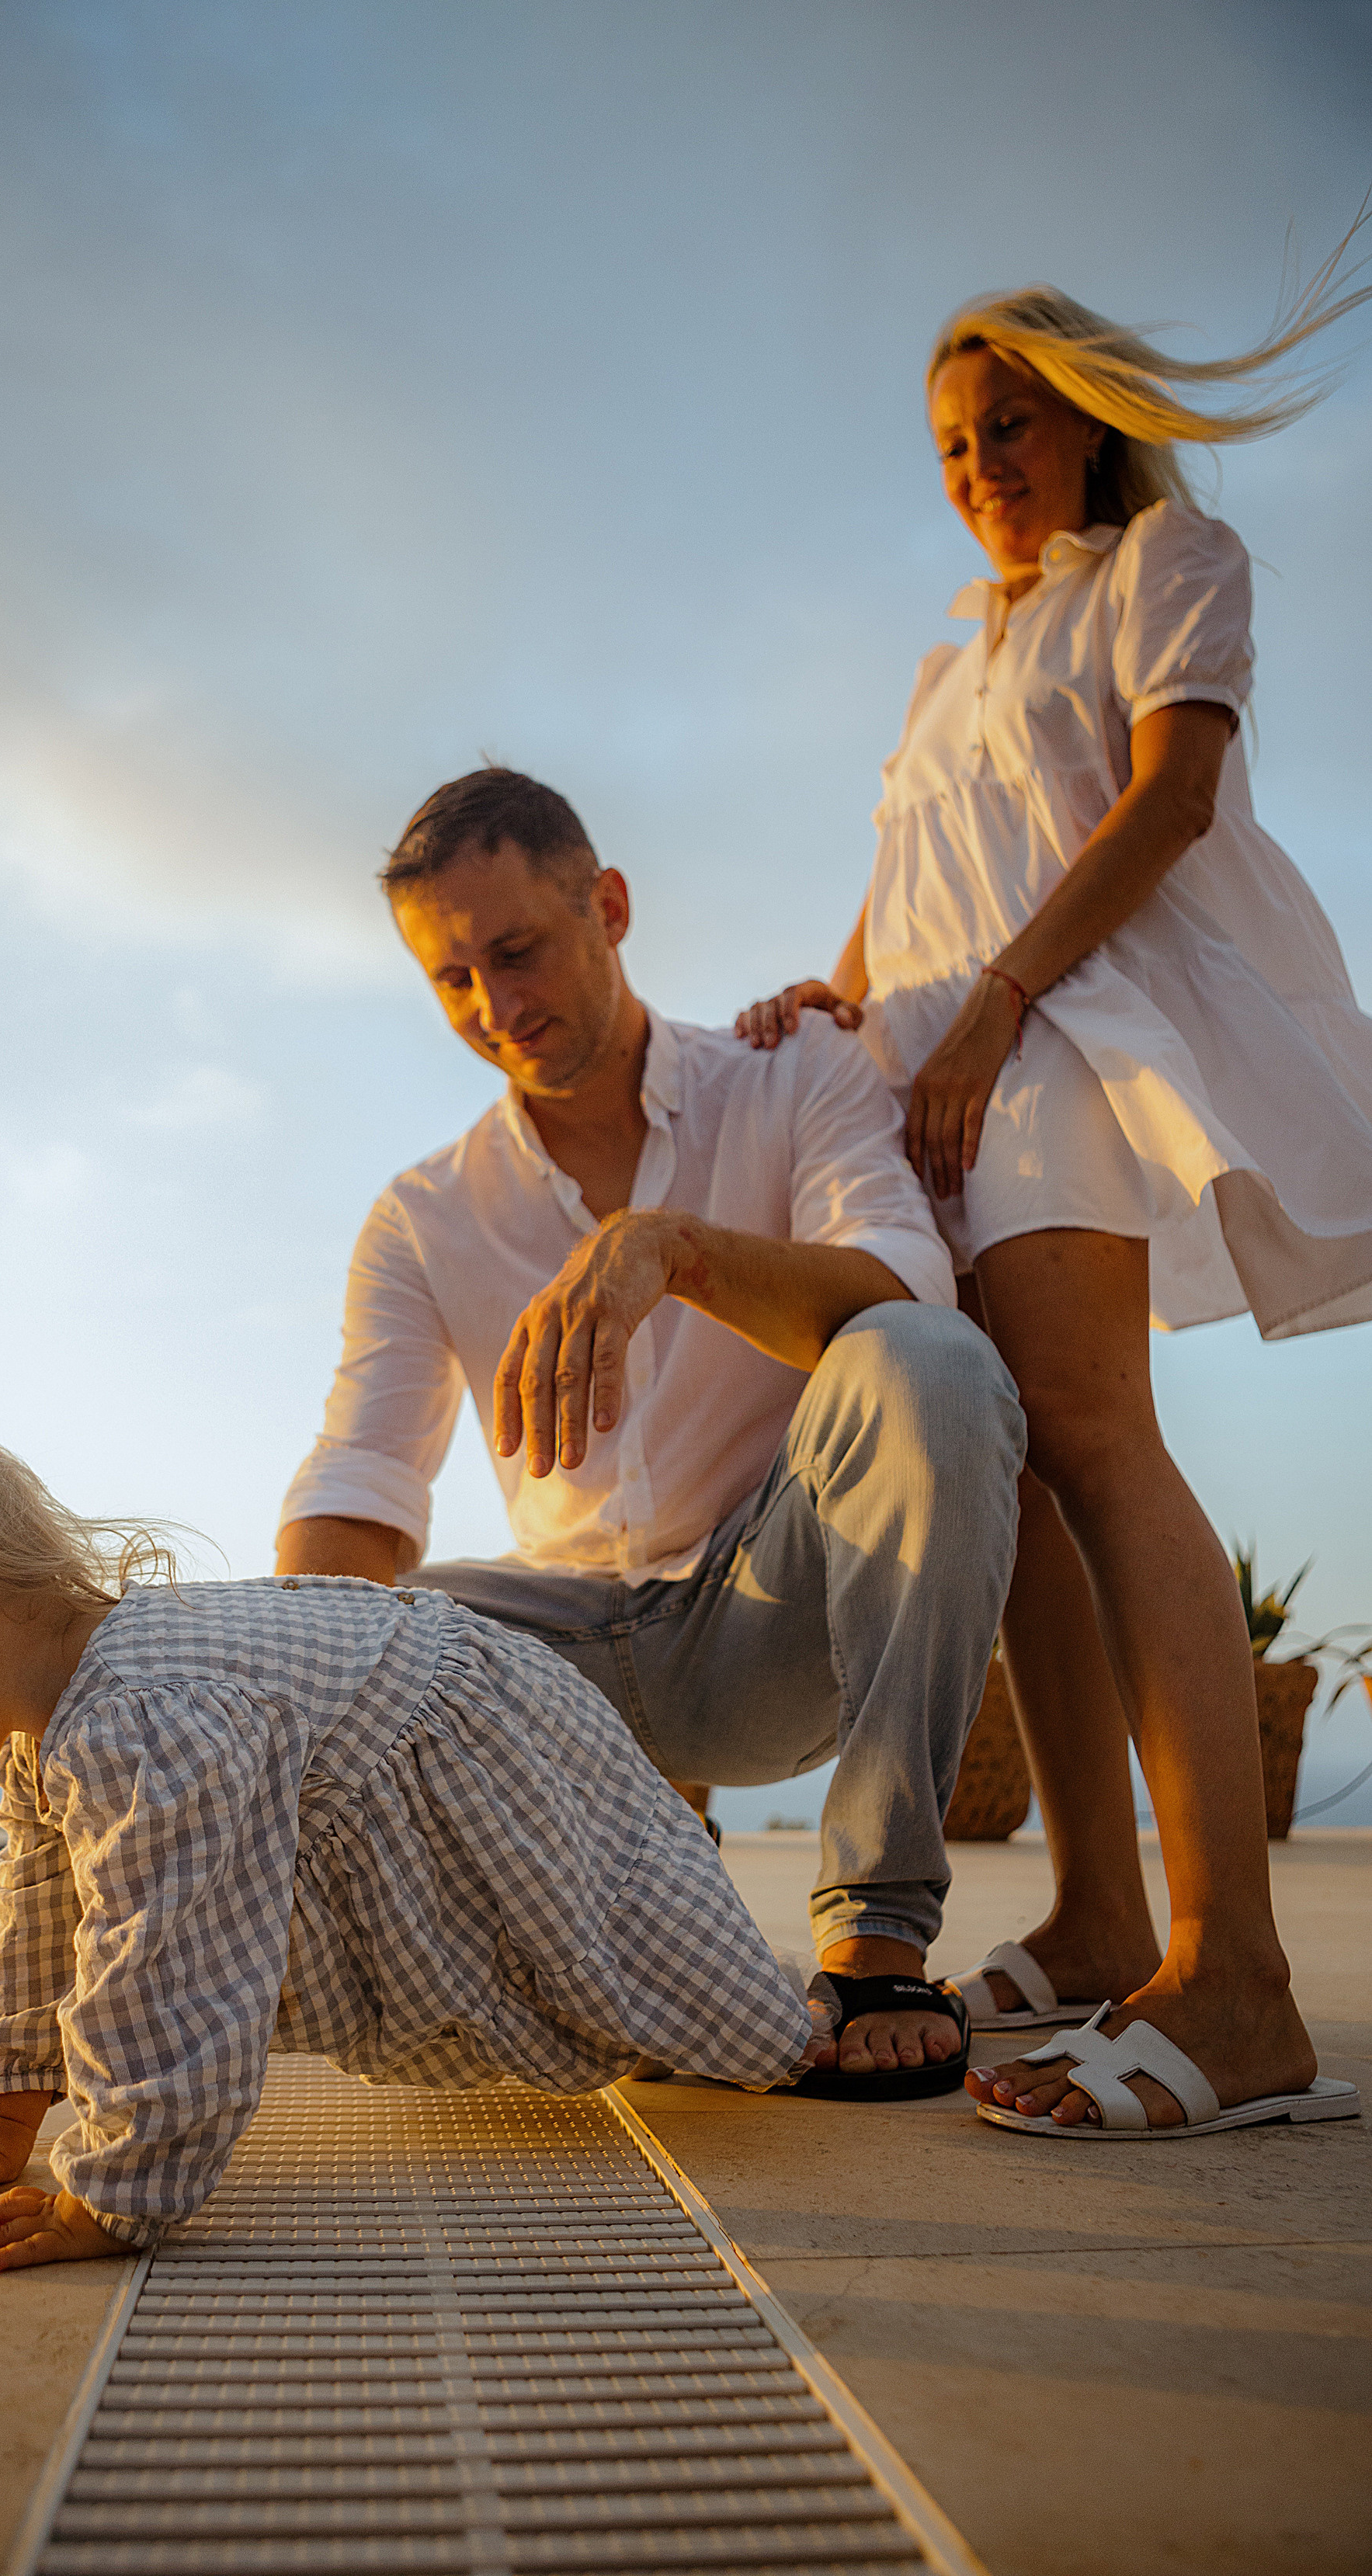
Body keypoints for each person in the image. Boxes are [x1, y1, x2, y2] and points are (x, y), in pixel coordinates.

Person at [738, 241, 1372, 2139]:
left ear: (1088, 420)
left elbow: (1165, 801)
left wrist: (996, 1006)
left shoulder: (1166, 564)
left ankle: (1236, 1985)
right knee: (1007, 1474)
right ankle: (1099, 1916)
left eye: (1006, 422)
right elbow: (909, 891)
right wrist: (831, 993)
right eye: (950, 444)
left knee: (1093, 1435)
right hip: (931, 1067)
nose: (978, 466)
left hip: (1049, 1041)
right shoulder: (947, 665)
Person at [278, 767, 1026, 2099]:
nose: (496, 1006)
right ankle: (609, 1933)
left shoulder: (794, 1073)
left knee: (933, 1357)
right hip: (560, 1674)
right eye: (452, 979)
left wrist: (674, 1252)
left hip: (776, 1620)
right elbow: (363, 1483)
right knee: (328, 1627)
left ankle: (874, 1938)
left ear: (609, 907)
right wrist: (274, 1702)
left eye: (518, 950)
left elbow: (906, 1281)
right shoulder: (423, 1213)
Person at [0, 1402, 822, 2272]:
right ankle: (728, 2012)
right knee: (588, 1981)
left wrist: (115, 2191)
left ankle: (815, 2021)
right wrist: (9, 2108)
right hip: (442, 1730)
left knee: (640, 1954)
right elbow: (43, 1914)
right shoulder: (49, 1726)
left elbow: (167, 1964)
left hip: (492, 1743)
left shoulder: (142, 1724)